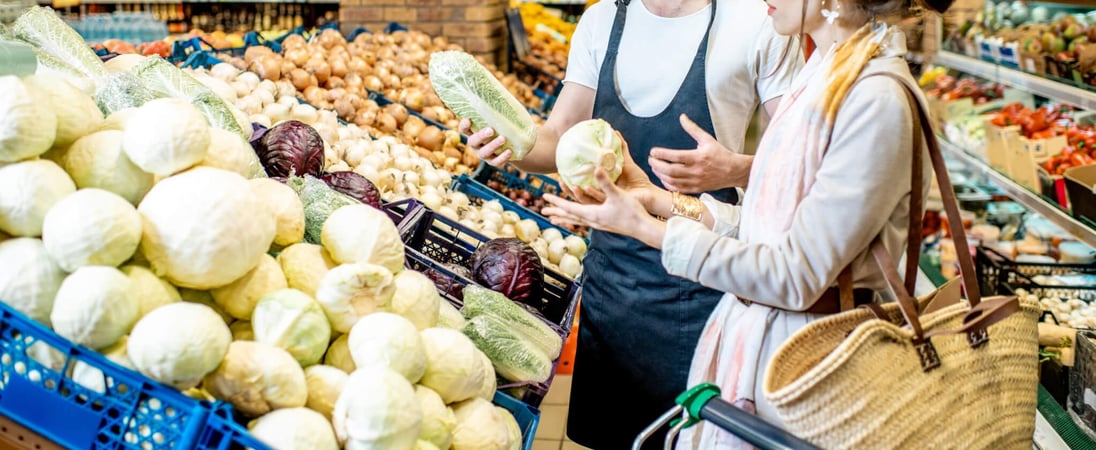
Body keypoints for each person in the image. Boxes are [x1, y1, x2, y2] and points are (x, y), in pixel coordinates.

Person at [540, 0, 951, 446]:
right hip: (761, 344)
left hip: (804, 364)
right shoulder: (823, 81)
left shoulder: (875, 101)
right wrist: (657, 200)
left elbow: (795, 276)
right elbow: (766, 232)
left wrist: (648, 228)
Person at [461, 0, 800, 447]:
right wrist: (510, 144)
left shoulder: (759, 20)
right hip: (614, 283)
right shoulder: (601, 20)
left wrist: (733, 170)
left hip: (704, 277)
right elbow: (558, 135)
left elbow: (798, 163)